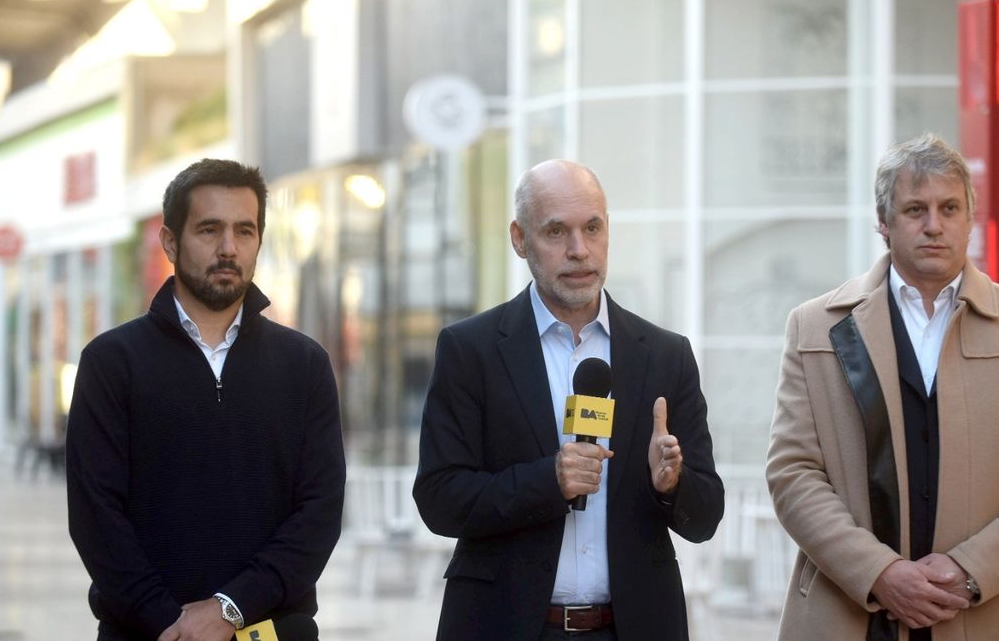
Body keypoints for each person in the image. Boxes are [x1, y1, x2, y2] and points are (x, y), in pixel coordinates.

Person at [766, 133, 999, 641]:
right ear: (883, 222)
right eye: (915, 209)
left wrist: (970, 572)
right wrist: (879, 573)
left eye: (950, 208)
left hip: (986, 615)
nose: (934, 225)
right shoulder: (813, 328)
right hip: (848, 617)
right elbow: (793, 473)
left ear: (969, 219)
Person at [413, 159, 724, 640]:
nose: (579, 251)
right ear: (520, 239)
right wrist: (548, 480)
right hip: (506, 625)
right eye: (556, 231)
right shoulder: (469, 350)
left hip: (632, 627)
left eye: (592, 228)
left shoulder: (665, 356)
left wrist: (672, 483)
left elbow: (705, 517)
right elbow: (438, 499)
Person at [66, 159, 346, 641]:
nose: (228, 249)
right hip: (146, 632)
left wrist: (228, 610)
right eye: (209, 230)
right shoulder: (112, 362)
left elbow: (319, 513)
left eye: (245, 231)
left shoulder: (304, 364)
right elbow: (96, 516)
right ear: (171, 242)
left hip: (272, 630)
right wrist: (169, 623)